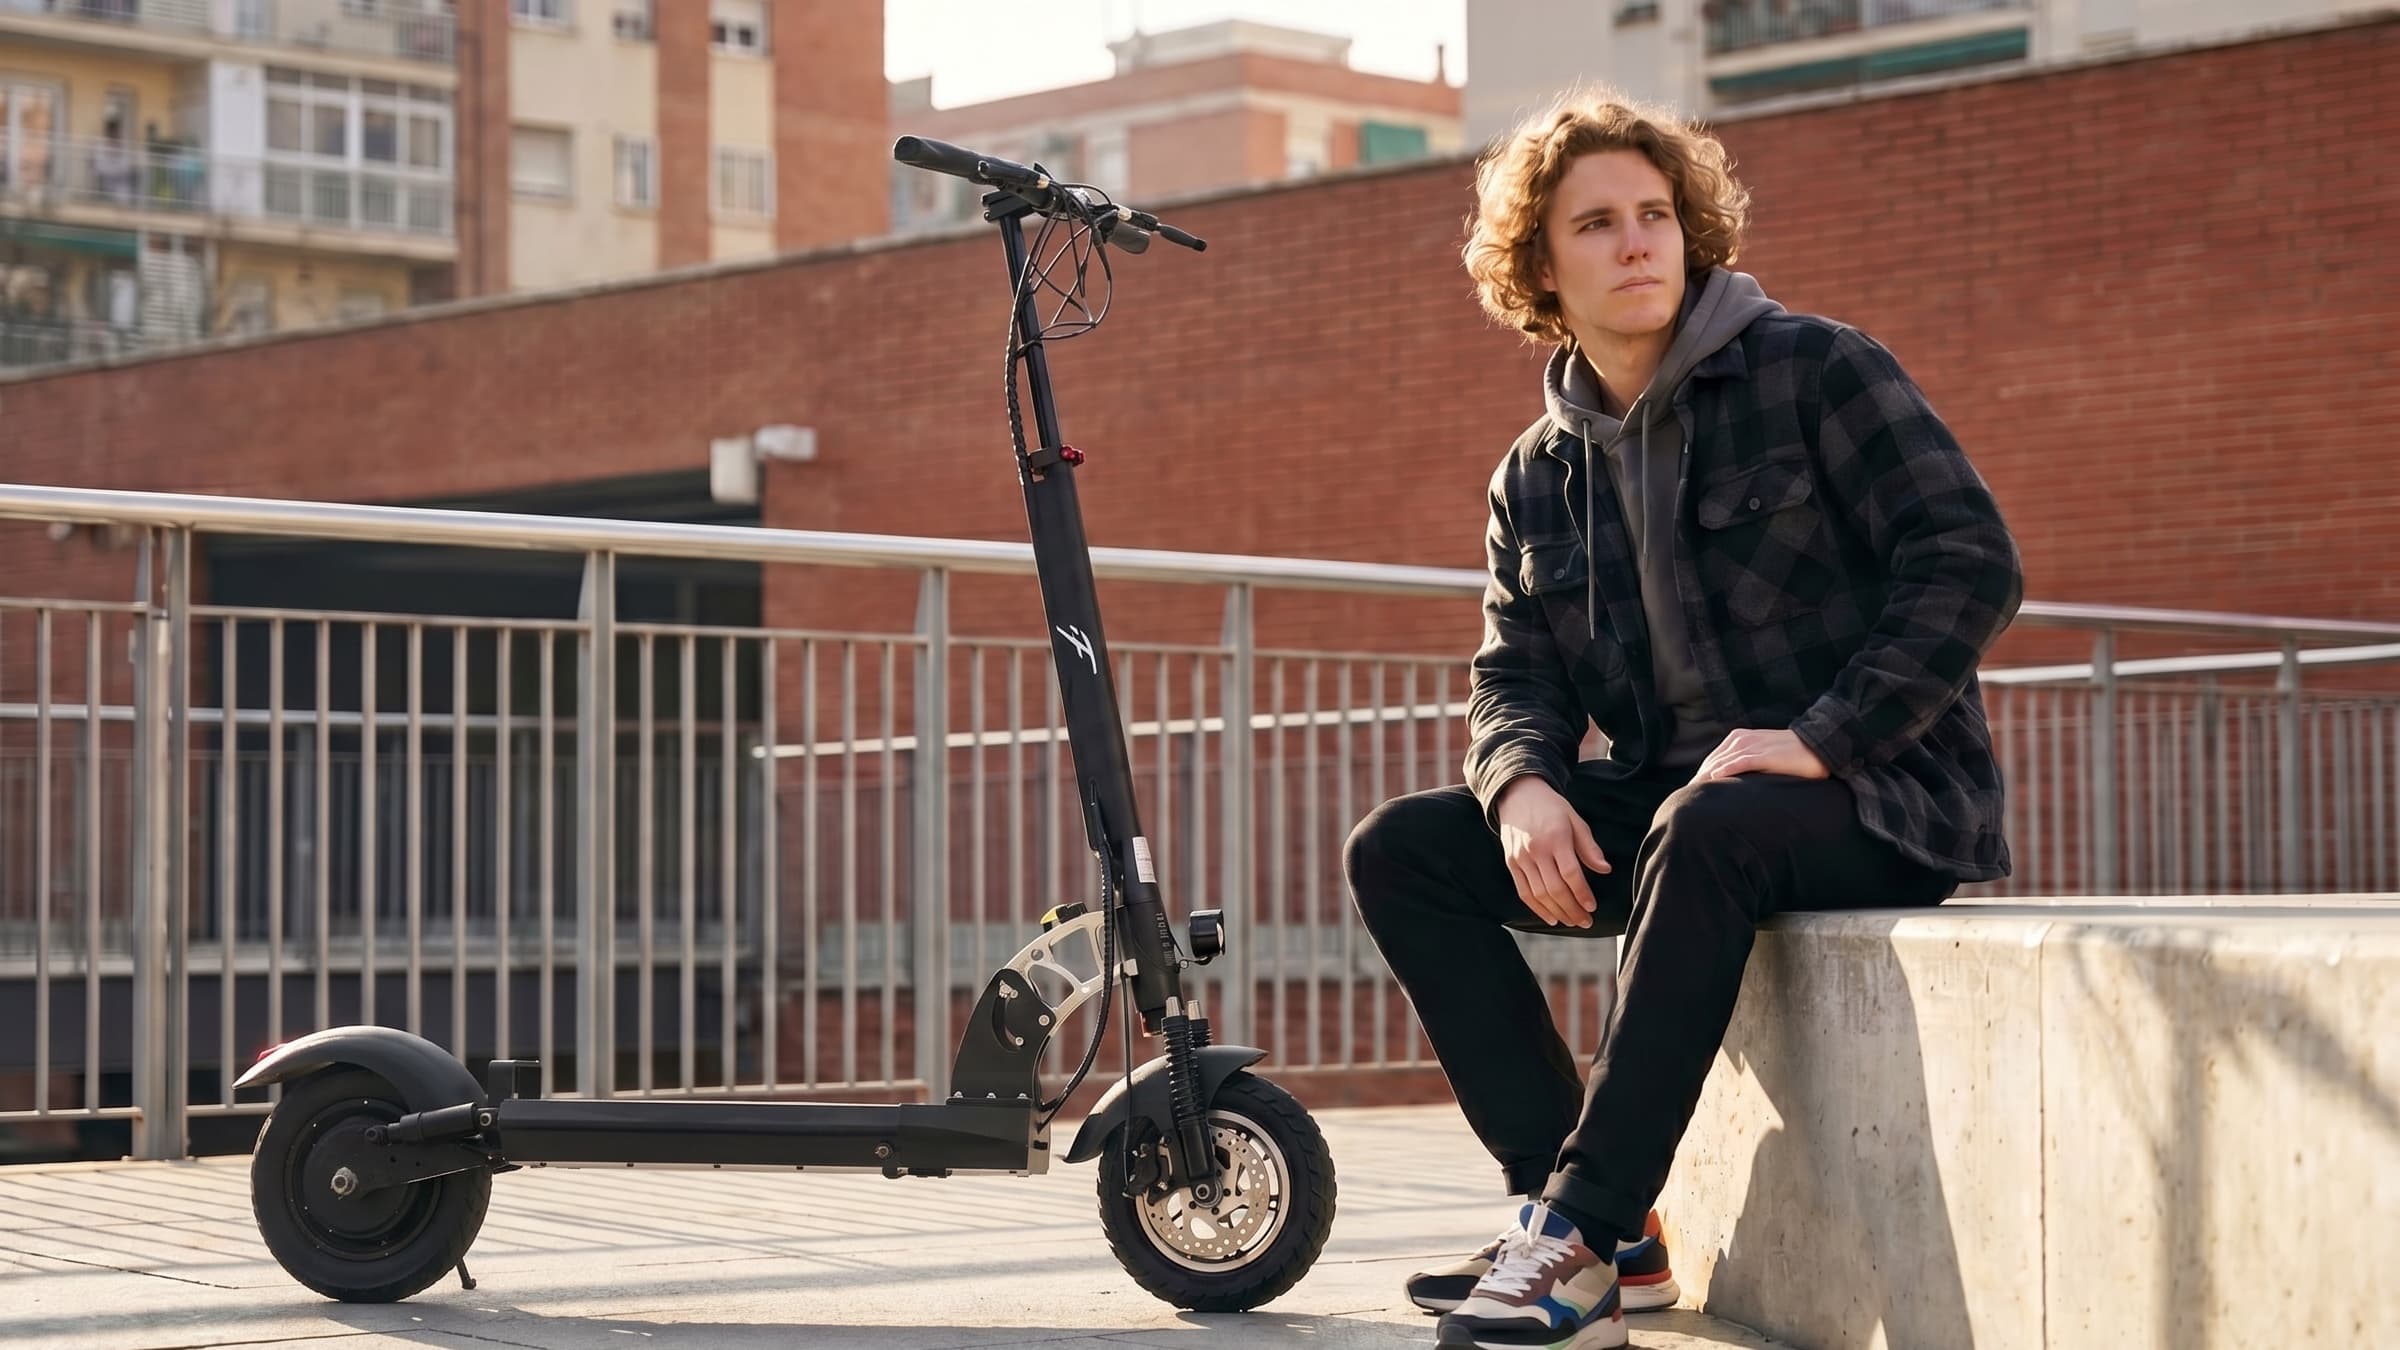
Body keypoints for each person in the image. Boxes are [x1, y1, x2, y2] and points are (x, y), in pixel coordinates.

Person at [1345, 86, 2023, 1350]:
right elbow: (1515, 675)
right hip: (1685, 808)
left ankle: (1583, 1233)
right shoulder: (1536, 473)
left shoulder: (1817, 369)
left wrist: (1825, 734)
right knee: (1402, 848)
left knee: (1708, 821)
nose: (1638, 241)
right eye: (1597, 224)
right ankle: (1592, 1224)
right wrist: (1521, 784)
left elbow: (1971, 563)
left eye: (1655, 213)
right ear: (1540, 269)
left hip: (1878, 793)